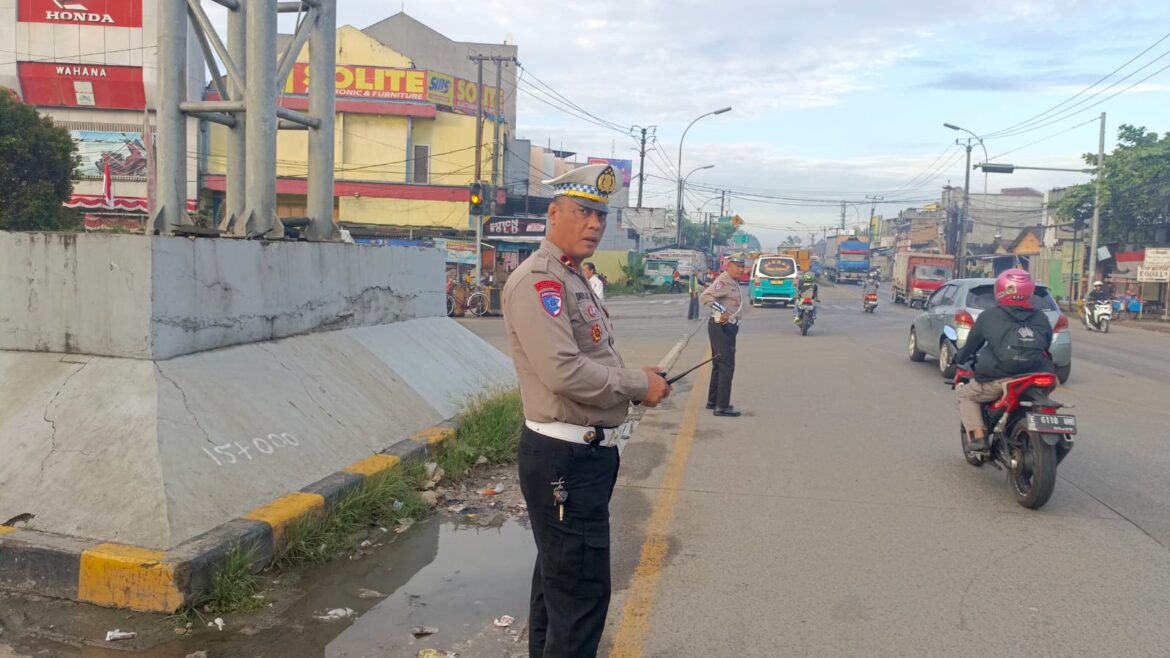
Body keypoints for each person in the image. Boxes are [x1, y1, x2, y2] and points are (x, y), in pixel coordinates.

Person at [502, 163, 671, 658]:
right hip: (565, 461)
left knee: (557, 585)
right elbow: (564, 372)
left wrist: (635, 376)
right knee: (580, 596)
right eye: (582, 212)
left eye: (600, 214)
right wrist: (638, 384)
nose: (594, 224)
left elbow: (592, 358)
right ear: (553, 214)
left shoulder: (571, 278)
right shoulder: (540, 282)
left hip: (578, 459)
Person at [953, 269, 1055, 452]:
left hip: (1000, 380)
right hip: (1039, 377)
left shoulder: (989, 316)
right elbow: (1046, 345)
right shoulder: (1041, 316)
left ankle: (978, 437)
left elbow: (971, 347)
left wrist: (958, 358)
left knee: (965, 394)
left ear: (1000, 289)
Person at [699, 258, 744, 417]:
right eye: (737, 266)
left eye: (742, 267)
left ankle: (713, 401)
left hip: (727, 326)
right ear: (728, 266)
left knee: (719, 365)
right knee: (726, 366)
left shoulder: (732, 281)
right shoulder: (724, 281)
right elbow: (705, 297)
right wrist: (722, 310)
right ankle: (722, 406)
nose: (740, 270)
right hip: (721, 326)